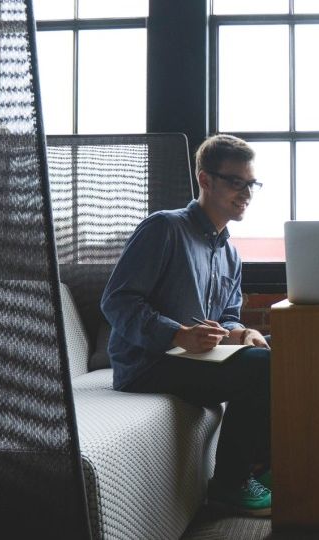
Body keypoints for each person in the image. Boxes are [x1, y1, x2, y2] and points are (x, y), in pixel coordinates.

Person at [100, 134, 273, 516]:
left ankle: (264, 464)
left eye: (251, 184)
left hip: (196, 360)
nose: (246, 193)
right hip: (148, 364)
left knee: (281, 350)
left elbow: (227, 315)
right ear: (205, 180)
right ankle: (229, 485)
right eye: (236, 182)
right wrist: (177, 334)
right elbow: (117, 301)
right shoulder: (164, 228)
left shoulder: (230, 252)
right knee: (264, 367)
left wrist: (242, 332)